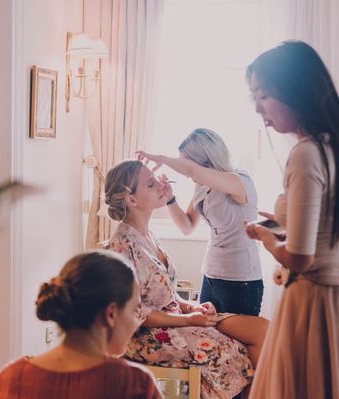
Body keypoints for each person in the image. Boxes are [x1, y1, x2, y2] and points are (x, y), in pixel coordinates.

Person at [104, 160, 269, 399]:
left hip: (175, 317)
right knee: (232, 347)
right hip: (147, 335)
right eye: (151, 184)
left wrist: (190, 306)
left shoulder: (148, 235)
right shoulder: (121, 246)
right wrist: (189, 319)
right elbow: (136, 313)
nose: (161, 185)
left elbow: (164, 292)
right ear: (131, 200)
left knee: (261, 329)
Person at [245, 41, 339, 398]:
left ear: (296, 91)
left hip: (311, 302)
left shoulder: (305, 154)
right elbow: (325, 231)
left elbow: (301, 258)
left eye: (264, 95)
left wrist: (267, 238)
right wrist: (283, 227)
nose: (258, 108)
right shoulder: (331, 148)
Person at [0, 250, 162, 399]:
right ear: (111, 313)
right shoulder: (134, 384)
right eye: (134, 310)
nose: (135, 323)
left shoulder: (11, 378)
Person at [136, 129, 263, 316]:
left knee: (238, 343)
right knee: (207, 338)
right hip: (211, 275)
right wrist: (170, 198)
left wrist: (162, 158)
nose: (187, 175)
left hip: (240, 278)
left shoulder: (239, 181)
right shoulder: (201, 187)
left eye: (185, 164)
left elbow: (194, 171)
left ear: (207, 159)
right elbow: (187, 226)